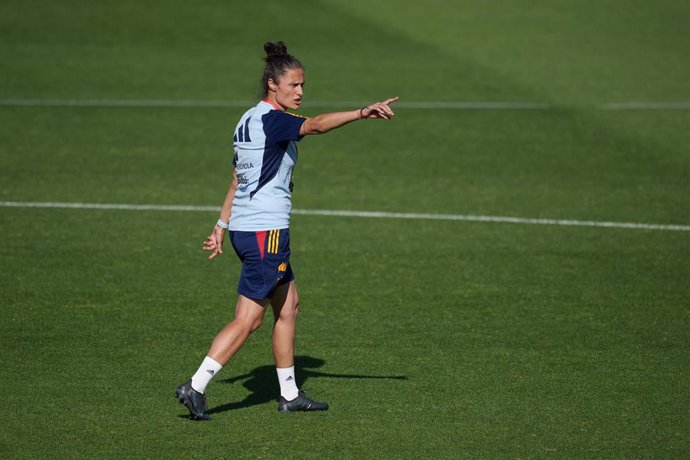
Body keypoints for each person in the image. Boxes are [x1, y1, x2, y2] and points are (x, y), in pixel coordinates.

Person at [175, 41, 398, 420]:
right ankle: (195, 386)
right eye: (293, 85)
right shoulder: (274, 120)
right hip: (266, 233)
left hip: (247, 229)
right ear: (272, 85)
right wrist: (361, 112)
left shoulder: (246, 120)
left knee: (289, 305)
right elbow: (314, 125)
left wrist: (220, 225)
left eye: (302, 86)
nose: (300, 92)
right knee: (250, 319)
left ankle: (290, 394)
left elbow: (237, 178)